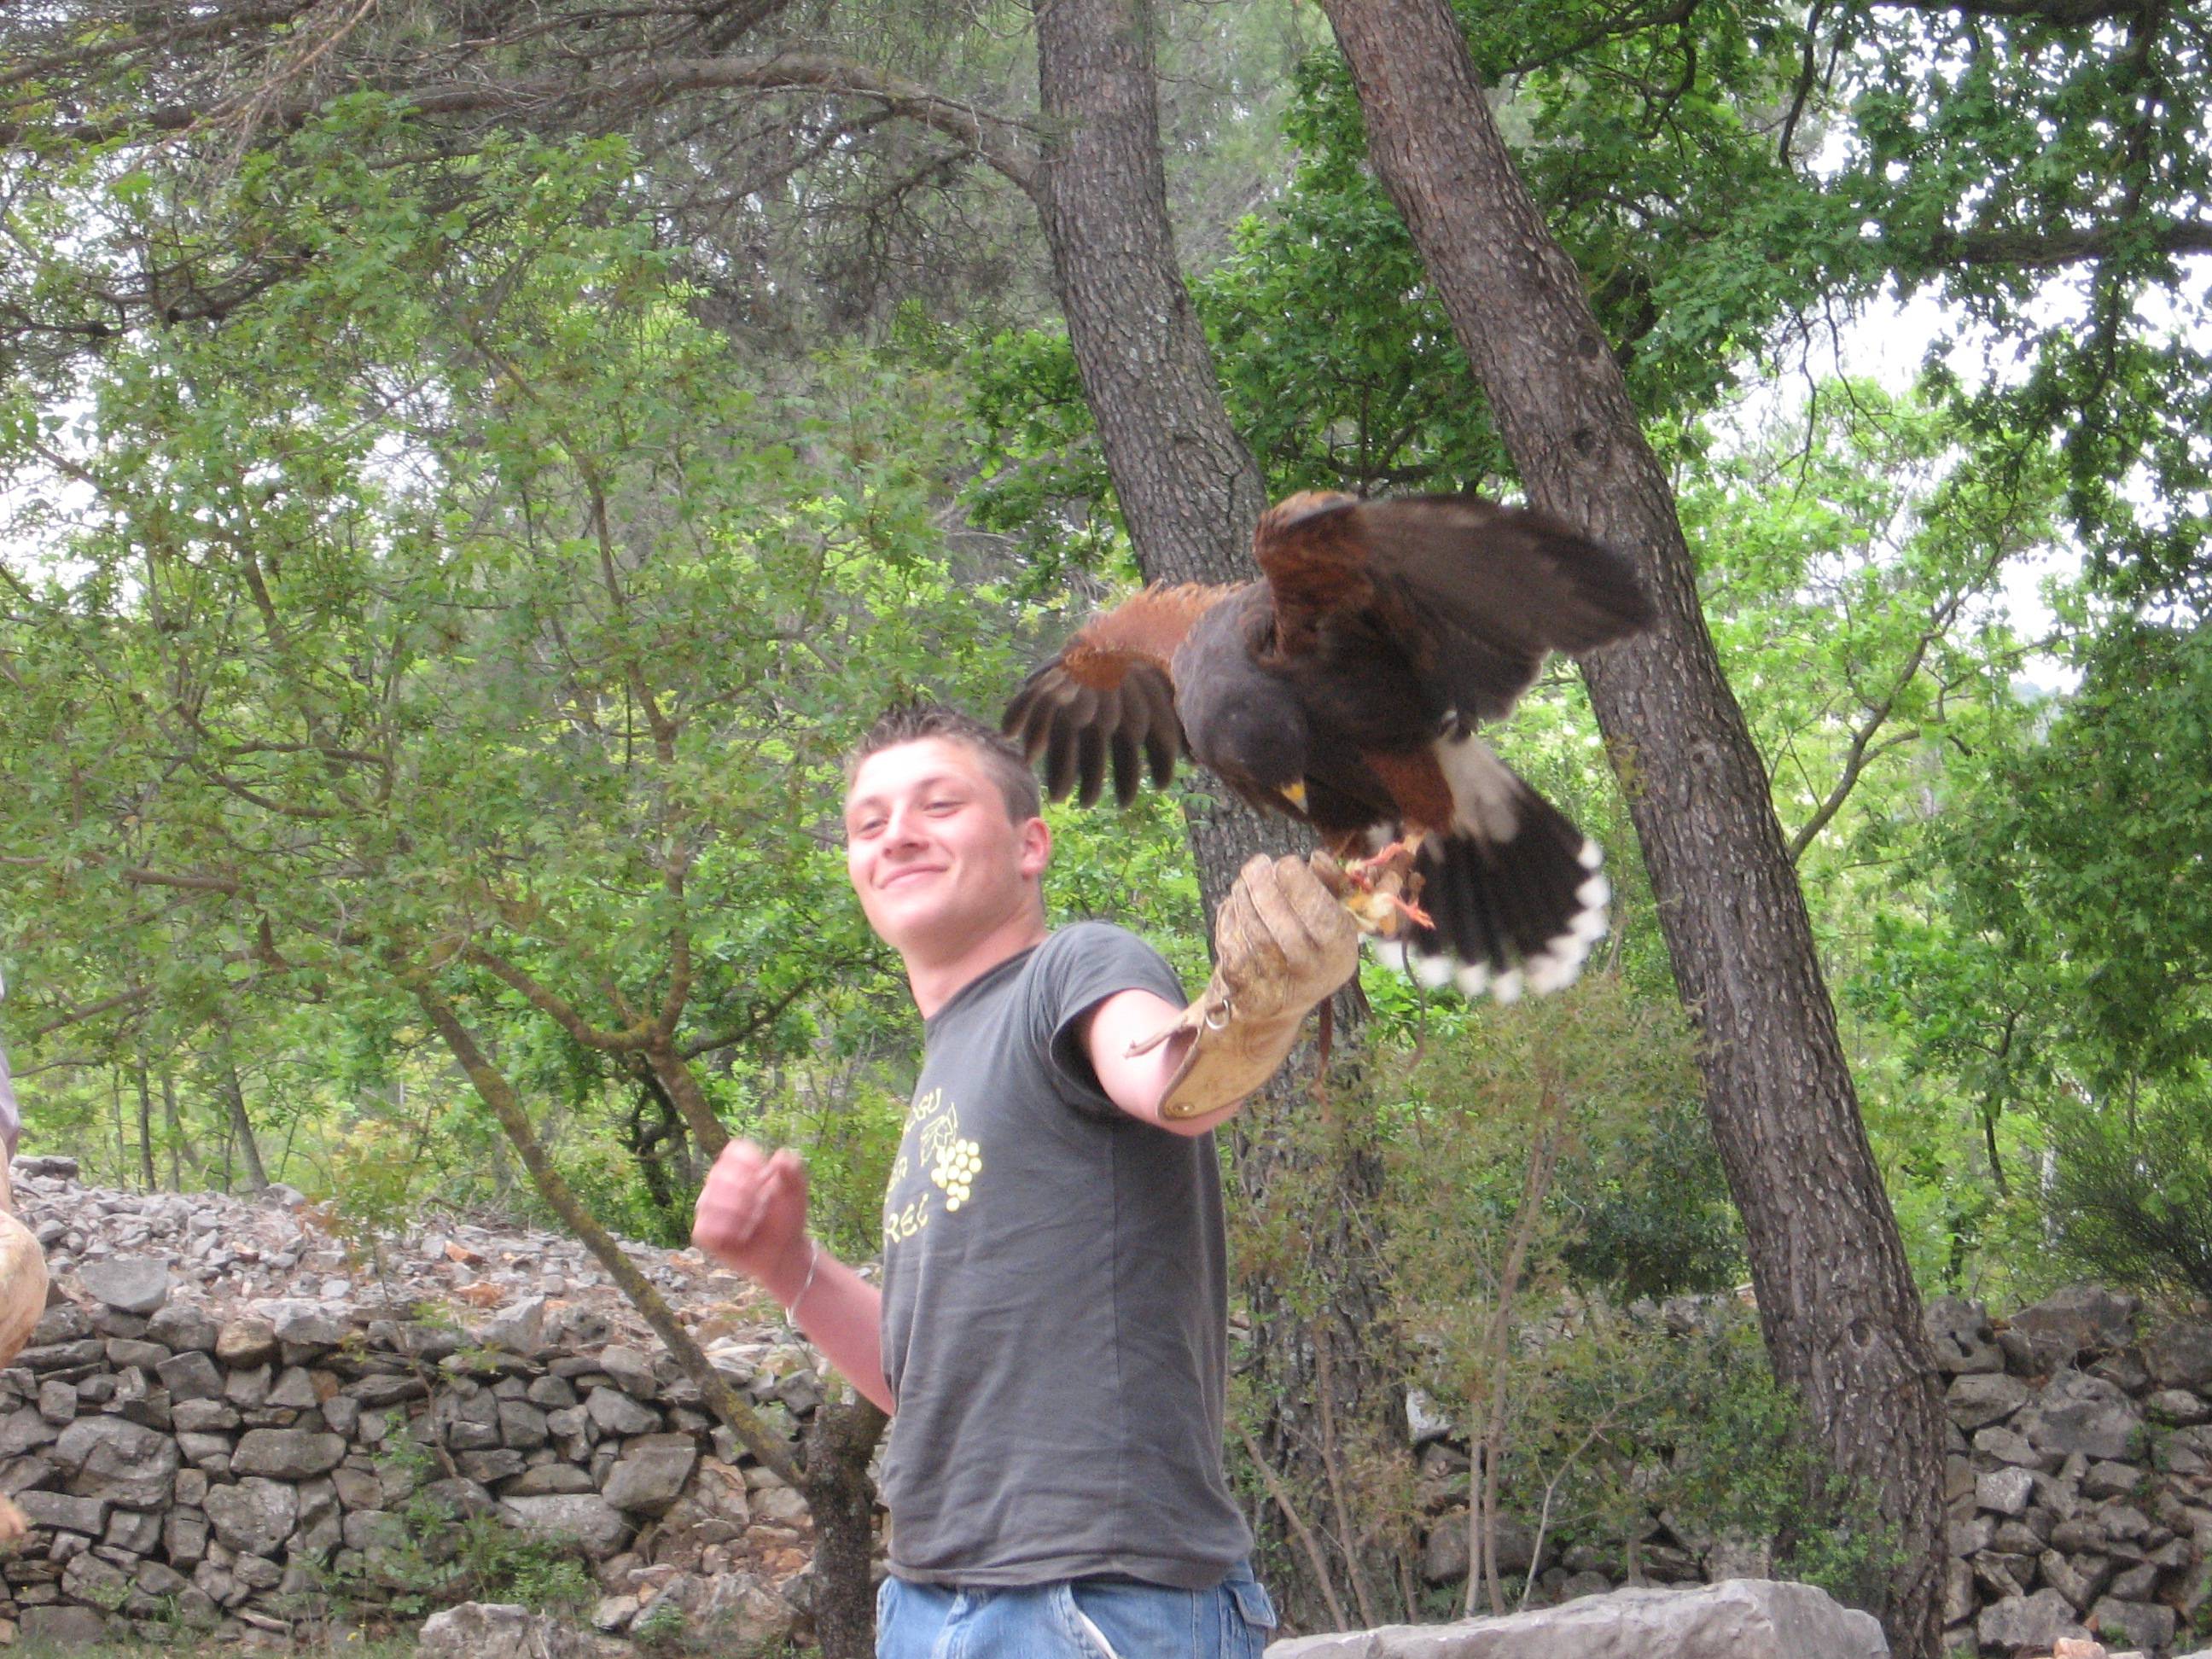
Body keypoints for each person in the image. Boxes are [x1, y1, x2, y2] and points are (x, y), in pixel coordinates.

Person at [691, 704, 1361, 1658]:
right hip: (928, 1601)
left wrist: (1255, 1007)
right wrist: (786, 1264)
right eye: (869, 822)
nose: (898, 834)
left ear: (1029, 845)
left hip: (1093, 1600)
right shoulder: (945, 1066)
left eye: (938, 805)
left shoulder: (1074, 968)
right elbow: (923, 1383)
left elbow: (1175, 1085)